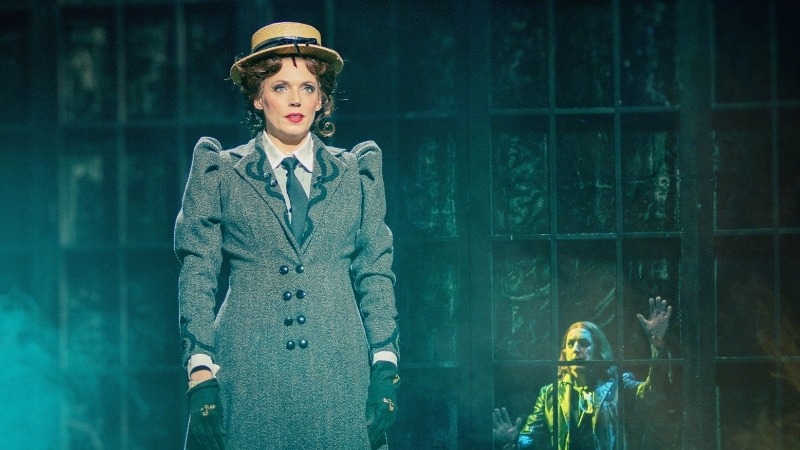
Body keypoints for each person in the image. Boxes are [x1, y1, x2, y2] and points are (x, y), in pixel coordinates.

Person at [174, 22, 400, 450]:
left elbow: (375, 271)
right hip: (246, 372)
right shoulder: (220, 171)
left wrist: (385, 365)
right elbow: (197, 272)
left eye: (307, 87)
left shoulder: (356, 173)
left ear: (321, 99)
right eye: (280, 87)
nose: (295, 99)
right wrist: (200, 370)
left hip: (340, 374)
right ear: (258, 97)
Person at [493, 297, 673, 450]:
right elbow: (530, 439)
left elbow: (652, 392)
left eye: (584, 343)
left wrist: (657, 346)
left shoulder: (618, 384)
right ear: (564, 352)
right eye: (570, 344)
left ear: (598, 350)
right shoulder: (550, 393)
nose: (576, 349)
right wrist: (513, 440)